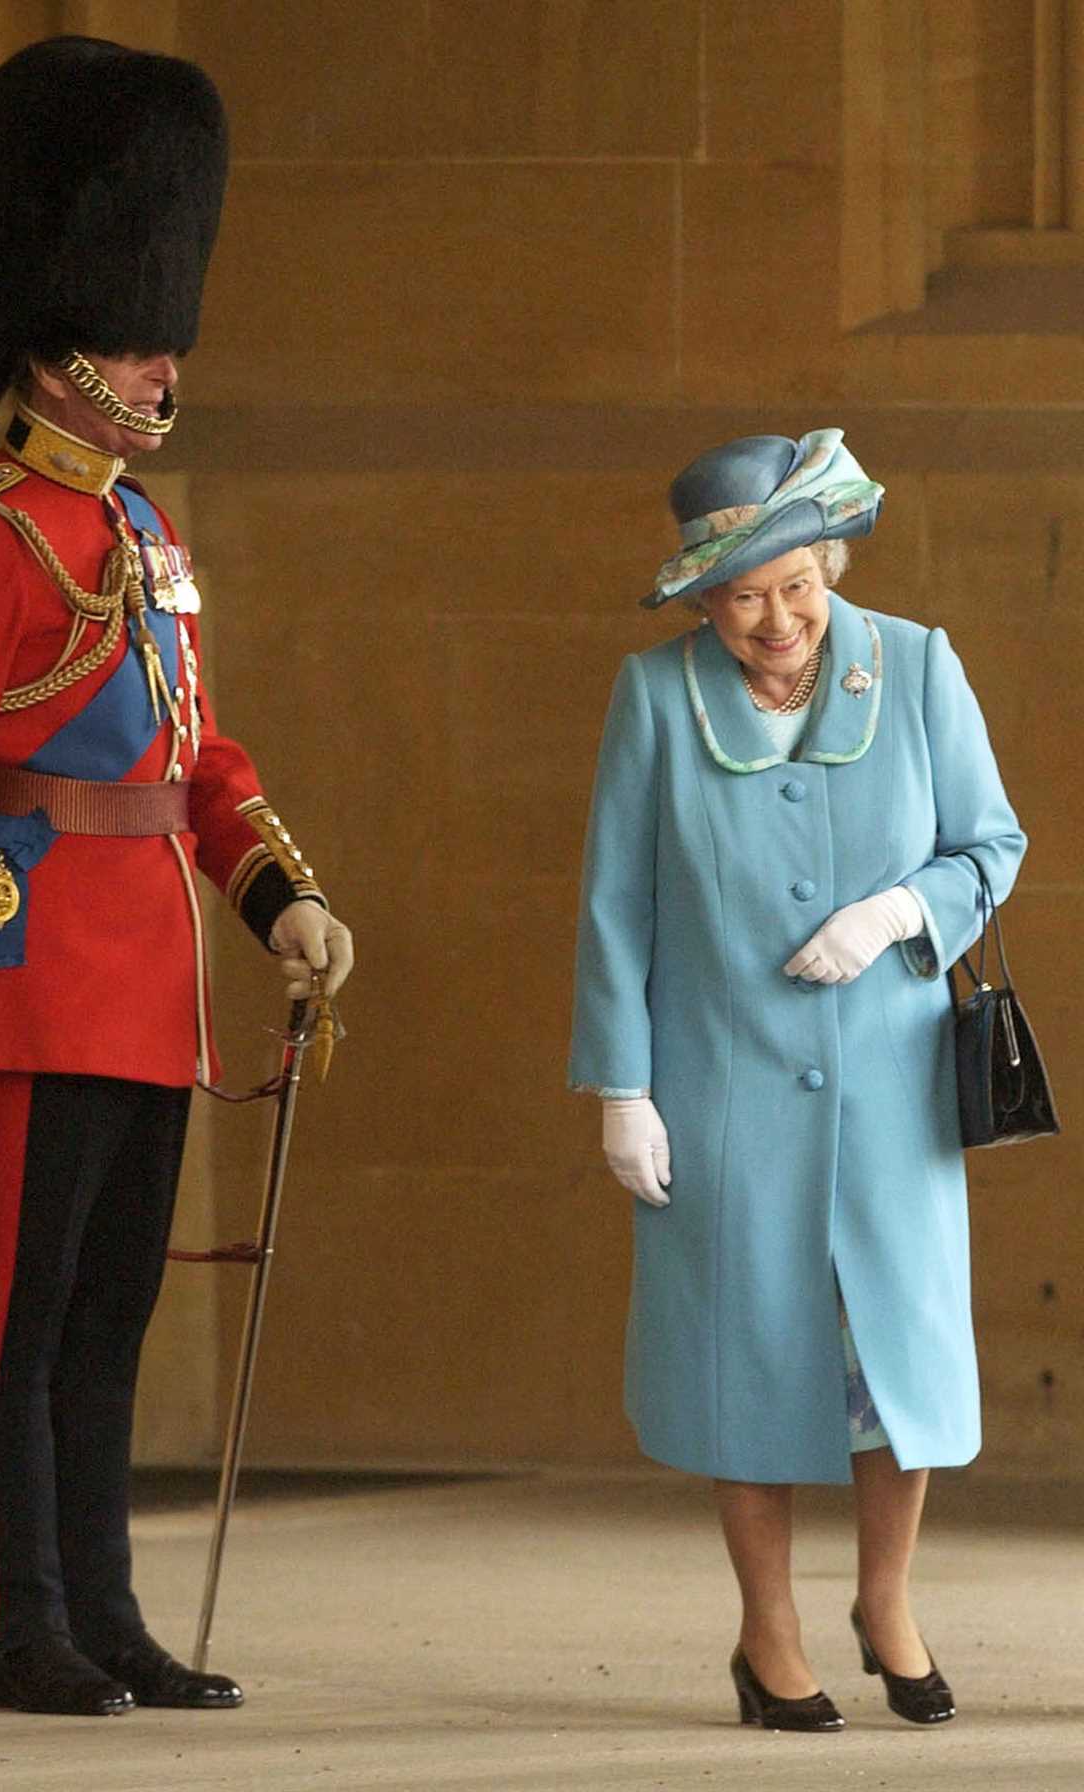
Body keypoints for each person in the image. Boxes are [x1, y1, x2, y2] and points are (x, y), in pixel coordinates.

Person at [0, 37, 353, 1718]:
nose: (164, 359)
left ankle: (107, 1616)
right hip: (35, 965)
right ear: (63, 352)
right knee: (22, 1319)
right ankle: (20, 1630)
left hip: (153, 982)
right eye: (141, 335)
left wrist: (280, 902)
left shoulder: (145, 543)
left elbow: (202, 764)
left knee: (114, 1312)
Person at [569, 429, 1025, 1732]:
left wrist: (892, 915)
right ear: (704, 599)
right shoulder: (655, 696)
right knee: (745, 1360)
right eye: (744, 595)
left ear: (830, 563)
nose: (776, 619)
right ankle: (767, 1638)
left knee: (898, 1366)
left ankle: (887, 1603)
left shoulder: (920, 665)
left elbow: (991, 845)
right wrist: (621, 1085)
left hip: (889, 1089)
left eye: (798, 586)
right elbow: (613, 906)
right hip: (720, 1087)